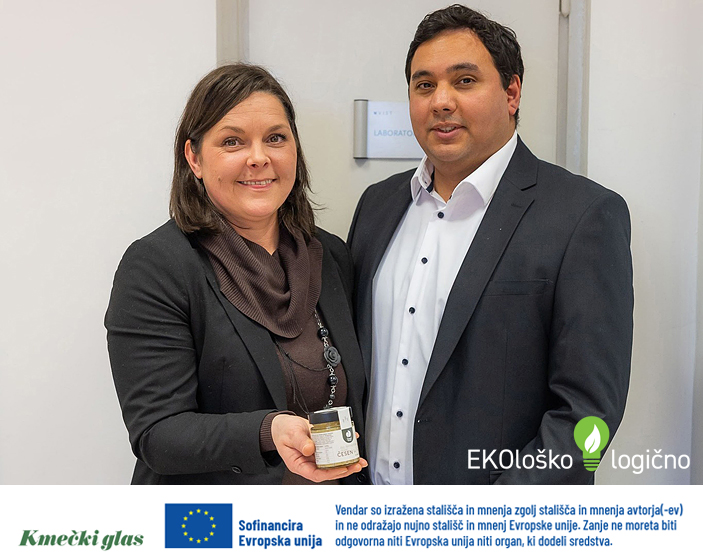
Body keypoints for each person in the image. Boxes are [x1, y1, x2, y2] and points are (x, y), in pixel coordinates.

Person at [347, 5, 633, 484]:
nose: (441, 101)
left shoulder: (583, 216)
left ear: (512, 92)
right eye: (424, 85)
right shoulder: (377, 206)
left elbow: (587, 414)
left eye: (464, 81)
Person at [106, 64, 367, 484]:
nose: (259, 157)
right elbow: (158, 434)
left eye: (276, 138)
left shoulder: (331, 255)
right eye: (232, 141)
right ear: (194, 158)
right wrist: (268, 431)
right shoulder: (157, 267)